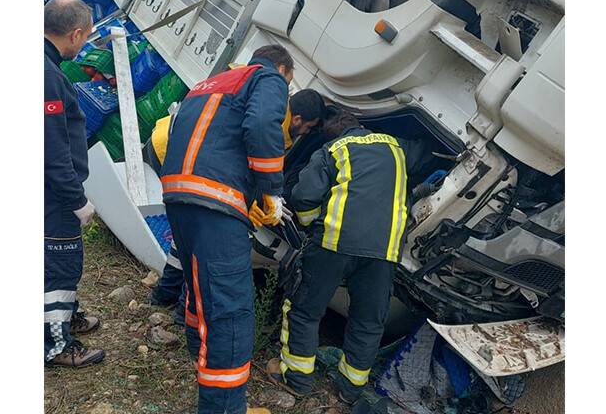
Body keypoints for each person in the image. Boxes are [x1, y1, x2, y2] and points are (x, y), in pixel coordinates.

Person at [159, 44, 296, 414]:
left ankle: (196, 354)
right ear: (284, 70)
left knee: (199, 286)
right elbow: (263, 124)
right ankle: (225, 407)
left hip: (179, 194)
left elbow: (184, 132)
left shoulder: (210, 82)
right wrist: (271, 190)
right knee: (231, 312)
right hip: (216, 201)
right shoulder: (267, 78)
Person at [275, 108, 410, 404]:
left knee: (304, 308)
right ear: (359, 125)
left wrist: (309, 225)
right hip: (384, 252)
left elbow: (304, 197)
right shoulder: (396, 149)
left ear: (331, 134)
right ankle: (350, 390)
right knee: (368, 321)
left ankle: (297, 379)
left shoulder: (332, 149)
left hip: (334, 244)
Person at [147, 89, 326, 311]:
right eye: (308, 127)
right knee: (205, 238)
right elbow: (236, 161)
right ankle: (183, 309)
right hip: (178, 152)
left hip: (176, 142)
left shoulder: (275, 112)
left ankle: (165, 295)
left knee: (189, 232)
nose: (306, 133)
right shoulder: (272, 127)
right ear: (298, 119)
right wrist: (249, 203)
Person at [43, 0, 106, 368]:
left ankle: (67, 315)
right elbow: (52, 148)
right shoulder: (49, 77)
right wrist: (75, 199)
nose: (84, 46)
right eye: (85, 39)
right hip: (53, 195)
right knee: (61, 265)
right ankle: (56, 343)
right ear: (75, 34)